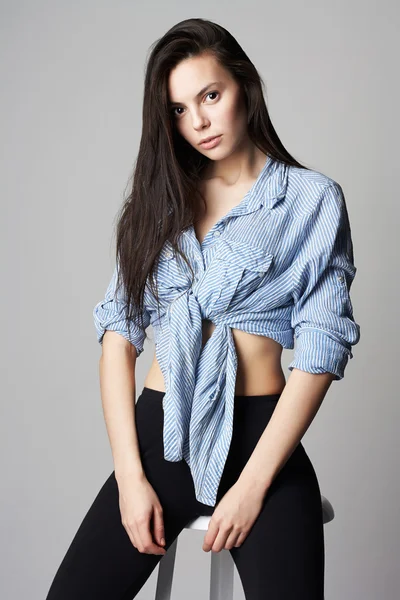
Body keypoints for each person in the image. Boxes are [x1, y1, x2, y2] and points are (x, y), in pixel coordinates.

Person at [45, 17, 361, 600]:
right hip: (159, 434)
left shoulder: (311, 198)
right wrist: (130, 479)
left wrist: (253, 486)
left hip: (262, 435)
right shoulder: (158, 201)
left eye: (211, 95)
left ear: (245, 86)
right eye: (179, 109)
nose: (199, 121)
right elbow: (119, 337)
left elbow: (321, 349)